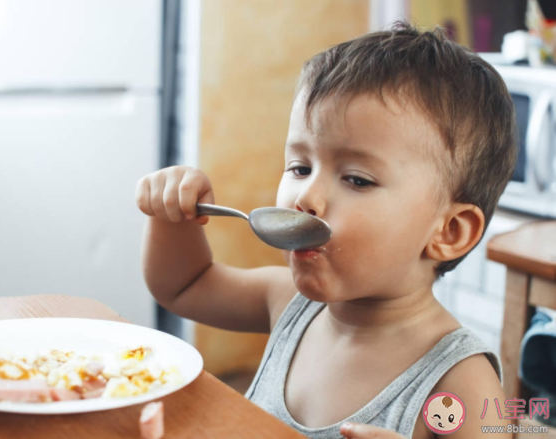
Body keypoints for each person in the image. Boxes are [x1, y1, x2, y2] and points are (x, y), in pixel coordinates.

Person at [135, 22, 516, 439]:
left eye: (356, 179)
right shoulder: (289, 304)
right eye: (300, 167)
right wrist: (169, 218)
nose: (306, 197)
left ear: (450, 231)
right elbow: (184, 285)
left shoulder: (463, 384)